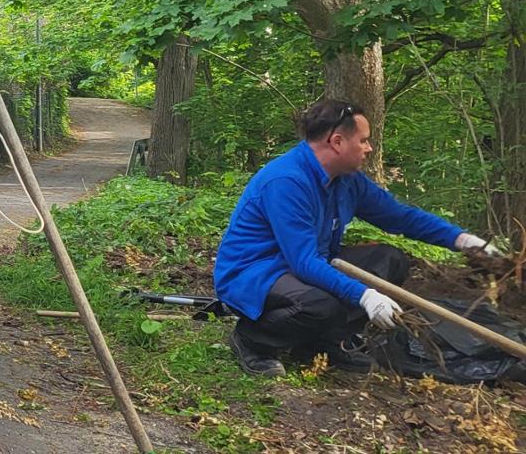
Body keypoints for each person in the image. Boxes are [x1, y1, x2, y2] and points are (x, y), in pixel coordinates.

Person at [214, 99, 501, 377]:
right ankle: (253, 340)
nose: (369, 148)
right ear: (337, 142)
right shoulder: (287, 181)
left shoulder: (346, 180)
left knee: (390, 260)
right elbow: (303, 262)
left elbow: (400, 217)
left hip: (304, 264)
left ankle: (323, 342)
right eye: (363, 140)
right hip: (255, 272)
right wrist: (365, 295)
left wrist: (463, 240)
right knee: (319, 305)